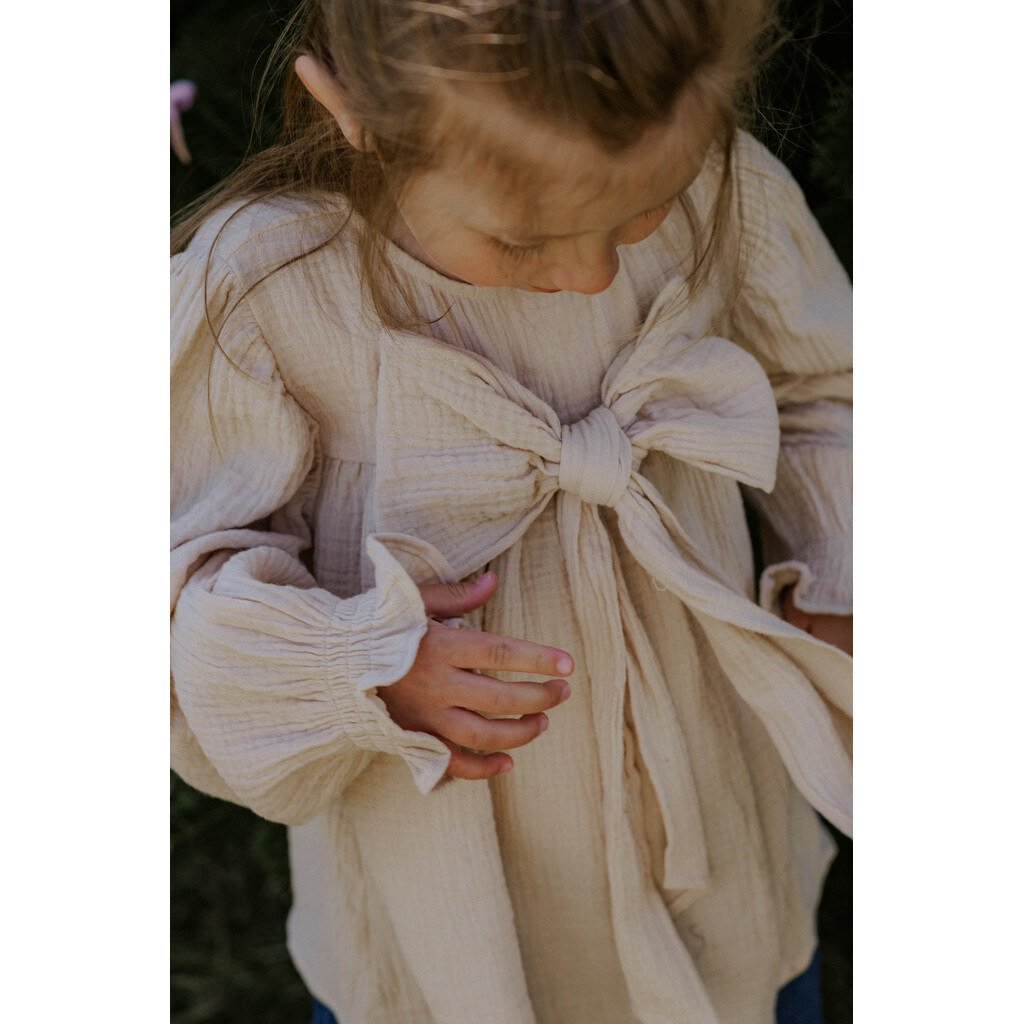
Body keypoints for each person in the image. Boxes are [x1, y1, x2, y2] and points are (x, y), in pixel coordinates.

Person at [170, 1, 852, 1022]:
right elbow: (174, 586)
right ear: (352, 107)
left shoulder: (717, 186)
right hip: (447, 888)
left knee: (745, 977)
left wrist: (841, 567)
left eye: (640, 213)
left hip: (714, 807)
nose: (591, 274)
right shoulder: (266, 295)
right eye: (521, 237)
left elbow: (827, 385)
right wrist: (358, 664)